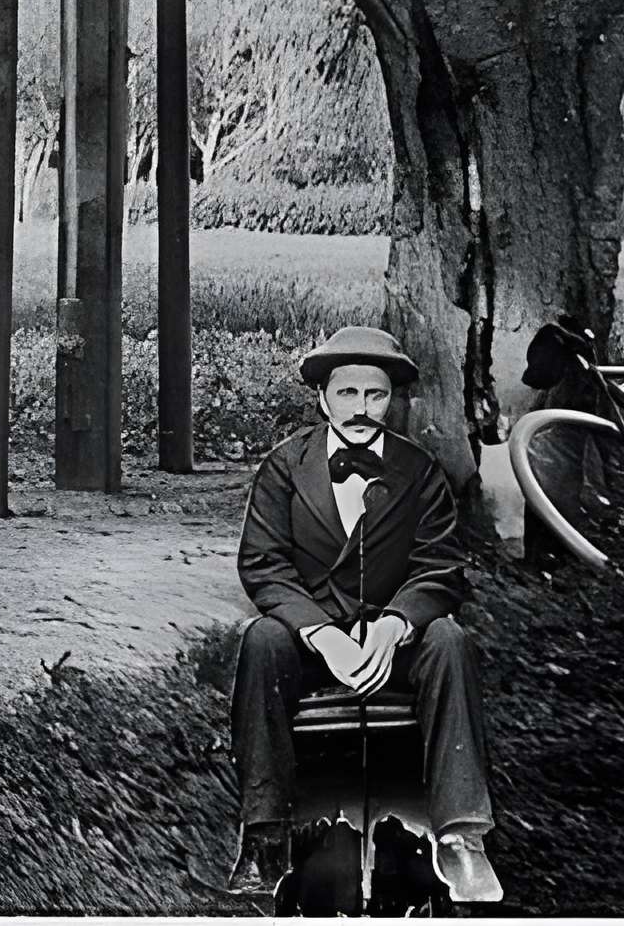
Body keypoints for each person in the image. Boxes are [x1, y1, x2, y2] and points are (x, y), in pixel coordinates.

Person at [231, 326, 504, 906]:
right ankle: (264, 835)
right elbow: (263, 564)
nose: (361, 409)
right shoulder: (285, 467)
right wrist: (321, 633)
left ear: (392, 399)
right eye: (348, 393)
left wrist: (397, 623)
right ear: (323, 398)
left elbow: (441, 566)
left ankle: (461, 835)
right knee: (260, 640)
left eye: (375, 395)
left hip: (392, 650)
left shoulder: (419, 469)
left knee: (450, 639)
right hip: (312, 645)